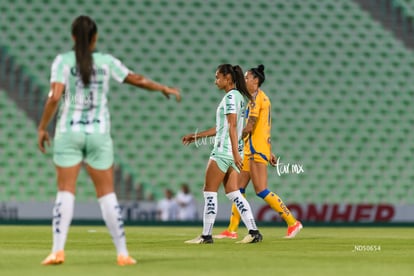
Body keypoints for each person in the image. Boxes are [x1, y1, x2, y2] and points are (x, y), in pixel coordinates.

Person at [37, 15, 180, 266]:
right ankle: (122, 253)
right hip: (99, 133)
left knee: (65, 192)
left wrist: (42, 127)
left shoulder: (62, 61)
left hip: (68, 132)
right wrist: (163, 88)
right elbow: (136, 79)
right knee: (107, 194)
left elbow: (54, 97)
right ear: (95, 38)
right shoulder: (106, 62)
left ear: (72, 37)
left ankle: (57, 251)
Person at [214, 65, 302, 240]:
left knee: (261, 189)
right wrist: (269, 151)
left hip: (255, 149)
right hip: (253, 148)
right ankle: (232, 230)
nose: (245, 80)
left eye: (247, 78)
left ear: (256, 80)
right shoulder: (257, 98)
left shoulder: (256, 99)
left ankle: (292, 222)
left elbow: (251, 126)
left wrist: (233, 134)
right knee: (238, 188)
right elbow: (264, 128)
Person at [182, 64, 262, 244]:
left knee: (209, 192)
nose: (215, 81)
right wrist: (196, 136)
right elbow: (222, 127)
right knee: (234, 194)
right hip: (233, 152)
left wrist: (234, 153)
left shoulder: (231, 97)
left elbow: (232, 126)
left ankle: (206, 235)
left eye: (217, 77)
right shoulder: (240, 97)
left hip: (224, 152)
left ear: (228, 78)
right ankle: (253, 231)